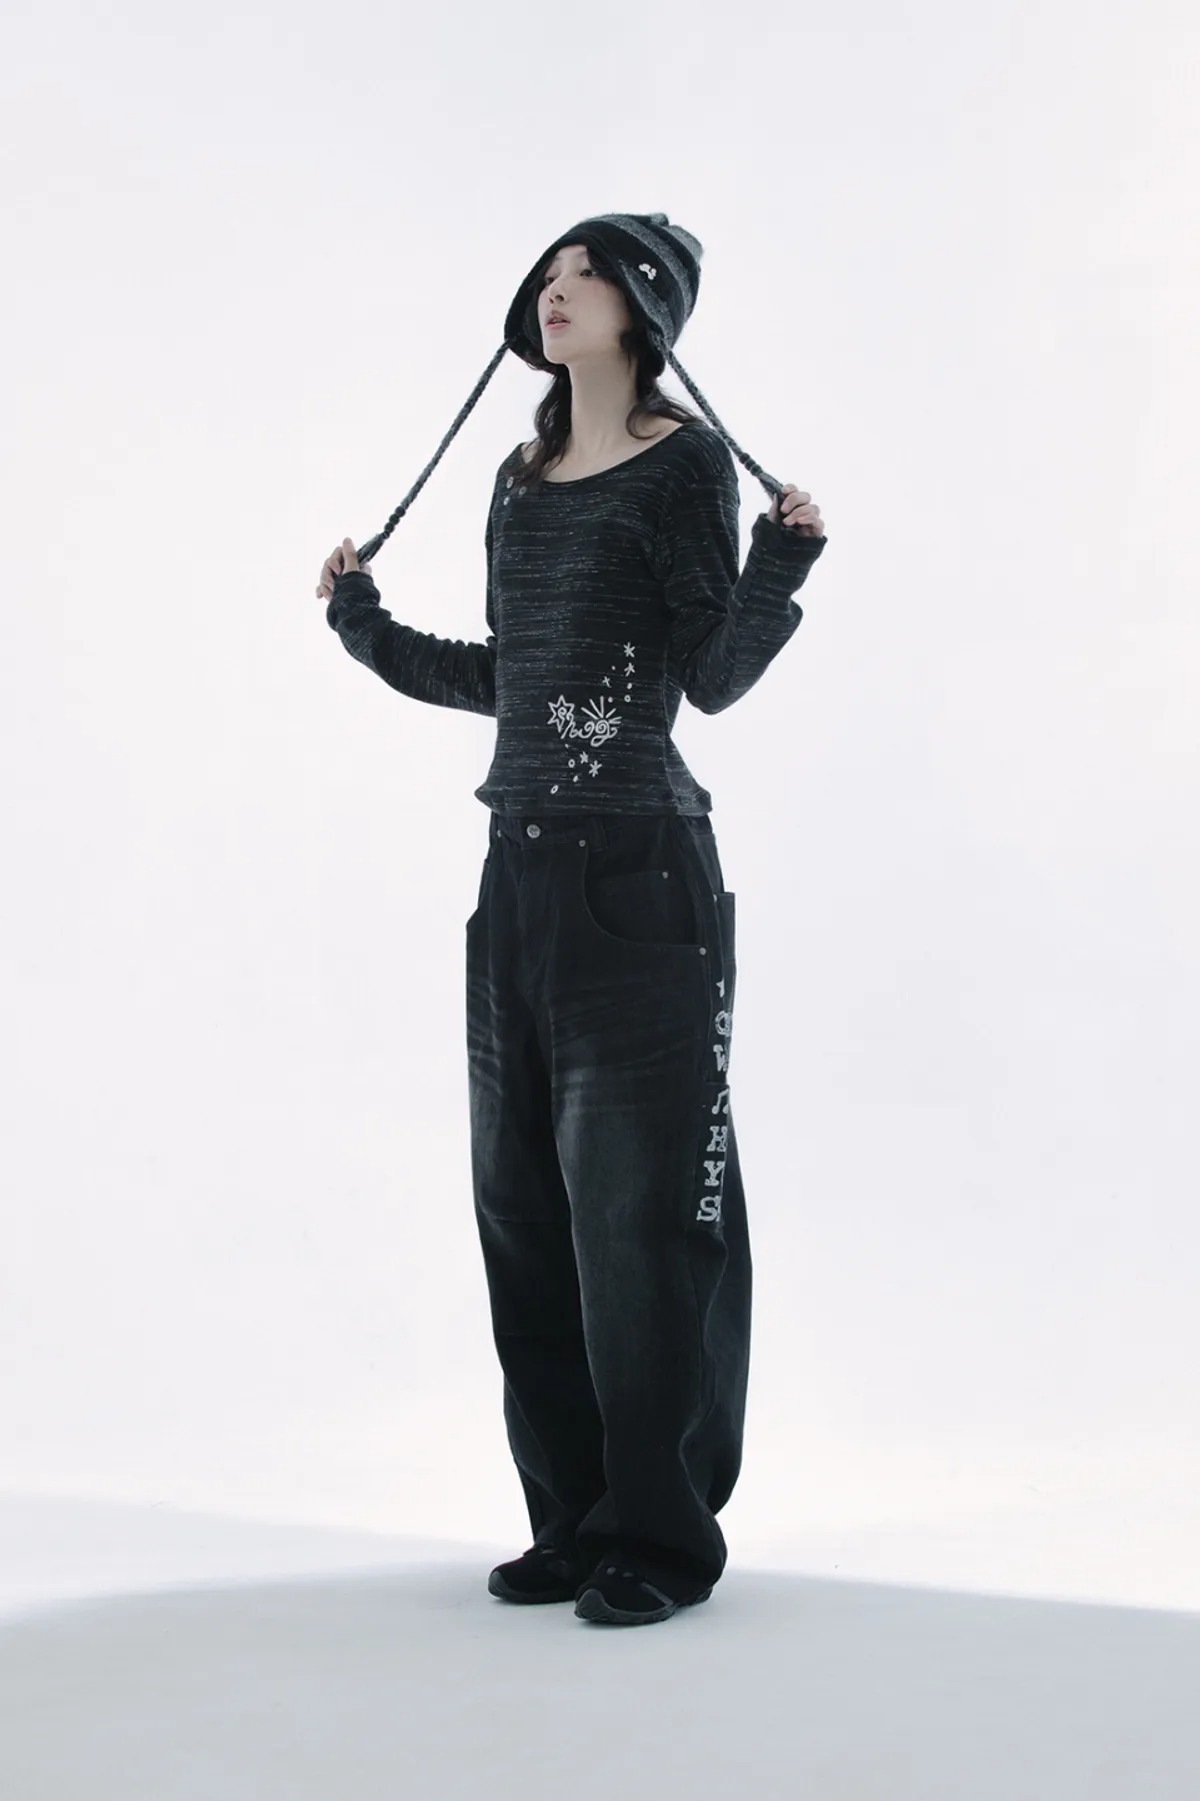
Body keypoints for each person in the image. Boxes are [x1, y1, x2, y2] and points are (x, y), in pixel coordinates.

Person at [317, 214, 828, 1628]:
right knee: (526, 1214)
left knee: (642, 1224)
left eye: (586, 274)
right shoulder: (516, 476)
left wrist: (781, 568)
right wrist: (363, 625)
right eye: (547, 276)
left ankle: (659, 1537)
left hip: (640, 883)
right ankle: (573, 1521)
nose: (557, 293)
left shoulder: (685, 465)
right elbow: (514, 676)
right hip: (519, 883)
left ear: (644, 306)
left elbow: (711, 673)